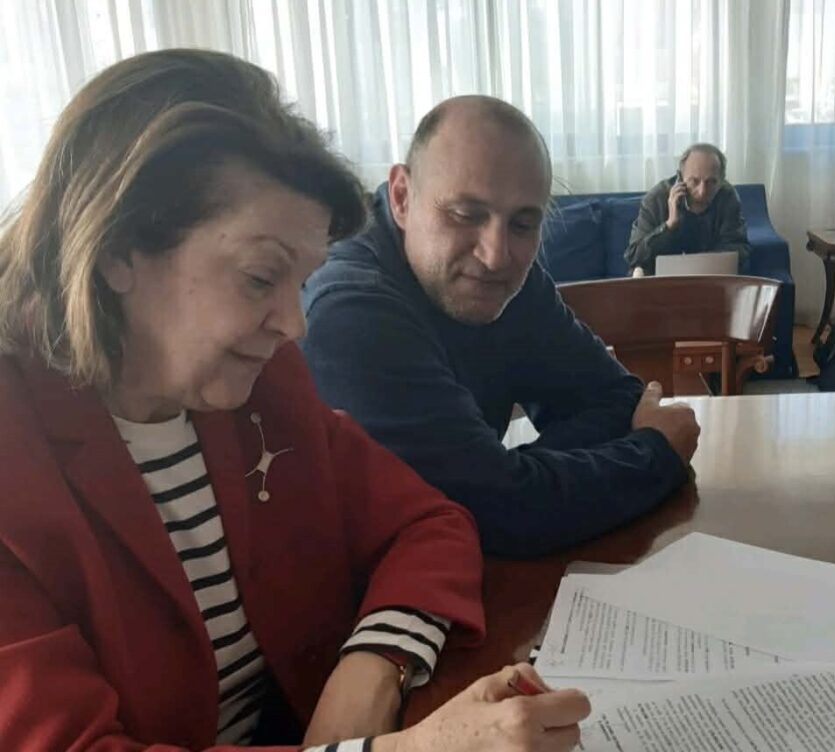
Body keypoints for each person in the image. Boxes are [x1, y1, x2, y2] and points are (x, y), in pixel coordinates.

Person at [0, 50, 589, 752]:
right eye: (260, 277)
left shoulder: (259, 384)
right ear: (117, 249)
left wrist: (375, 664)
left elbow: (431, 522)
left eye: (300, 280)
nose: (295, 325)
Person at [301, 96, 700, 560]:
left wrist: (515, 478)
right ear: (402, 198)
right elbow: (494, 514)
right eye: (465, 215)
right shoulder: (352, 311)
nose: (495, 256)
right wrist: (653, 453)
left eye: (523, 224)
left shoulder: (509, 280)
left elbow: (616, 397)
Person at [624, 143, 752, 277]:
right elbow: (633, 255)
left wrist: (701, 264)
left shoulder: (727, 197)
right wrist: (669, 226)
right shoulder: (656, 198)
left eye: (711, 182)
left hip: (710, 278)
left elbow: (739, 247)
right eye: (694, 181)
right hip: (662, 280)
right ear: (680, 177)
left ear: (721, 180)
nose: (702, 192)